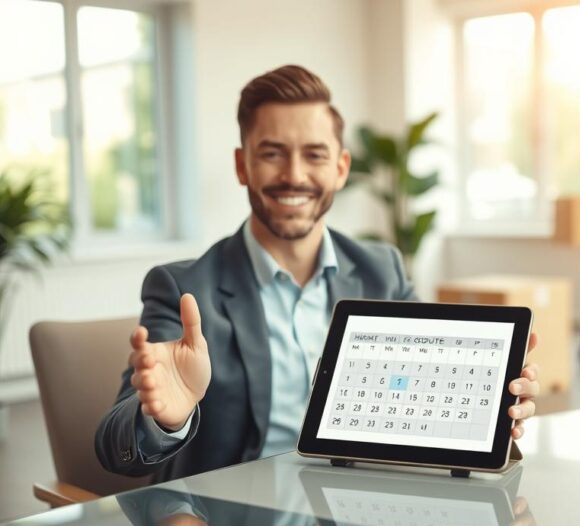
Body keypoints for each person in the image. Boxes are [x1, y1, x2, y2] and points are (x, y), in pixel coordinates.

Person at [95, 65, 541, 482]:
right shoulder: (184, 290)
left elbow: (418, 406)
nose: (294, 175)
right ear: (241, 165)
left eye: (314, 155)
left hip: (356, 522)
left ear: (341, 167)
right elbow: (113, 446)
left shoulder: (381, 272)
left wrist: (491, 412)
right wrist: (164, 419)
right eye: (272, 154)